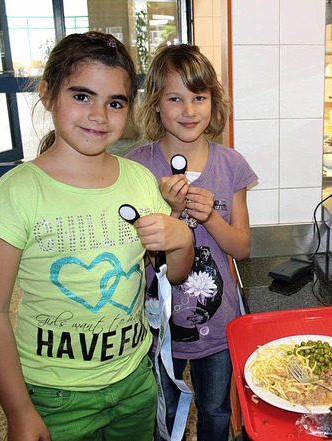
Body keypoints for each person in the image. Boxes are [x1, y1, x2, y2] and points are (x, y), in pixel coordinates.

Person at [0, 32, 193, 441]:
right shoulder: (17, 193)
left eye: (115, 103)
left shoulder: (139, 181)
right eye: (82, 96)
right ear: (48, 94)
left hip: (134, 380)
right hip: (54, 394)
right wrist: (18, 411)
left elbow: (173, 276)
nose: (99, 116)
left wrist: (182, 241)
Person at [126, 43, 258, 441]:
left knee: (216, 408)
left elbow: (242, 247)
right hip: (155, 325)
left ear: (213, 102)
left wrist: (209, 216)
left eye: (199, 98)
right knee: (162, 406)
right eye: (175, 99)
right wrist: (168, 213)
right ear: (156, 105)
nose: (189, 110)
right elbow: (132, 252)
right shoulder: (136, 167)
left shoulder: (231, 164)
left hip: (218, 325)